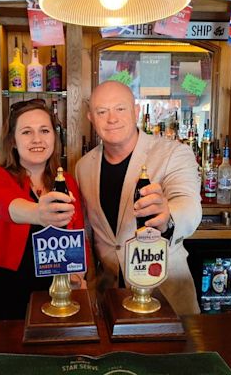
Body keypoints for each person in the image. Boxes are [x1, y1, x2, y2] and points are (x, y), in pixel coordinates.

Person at [75, 81, 202, 316]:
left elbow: (188, 203)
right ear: (91, 118)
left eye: (120, 109)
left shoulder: (173, 153)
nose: (111, 118)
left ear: (135, 112)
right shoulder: (83, 166)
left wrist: (167, 217)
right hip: (109, 298)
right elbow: (88, 232)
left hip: (165, 295)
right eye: (102, 112)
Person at [0, 99, 87, 320]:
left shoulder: (67, 182)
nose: (37, 139)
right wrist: (39, 213)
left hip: (54, 288)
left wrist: (77, 274)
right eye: (27, 132)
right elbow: (7, 207)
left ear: (54, 137)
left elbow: (78, 235)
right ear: (13, 141)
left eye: (44, 130)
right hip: (3, 289)